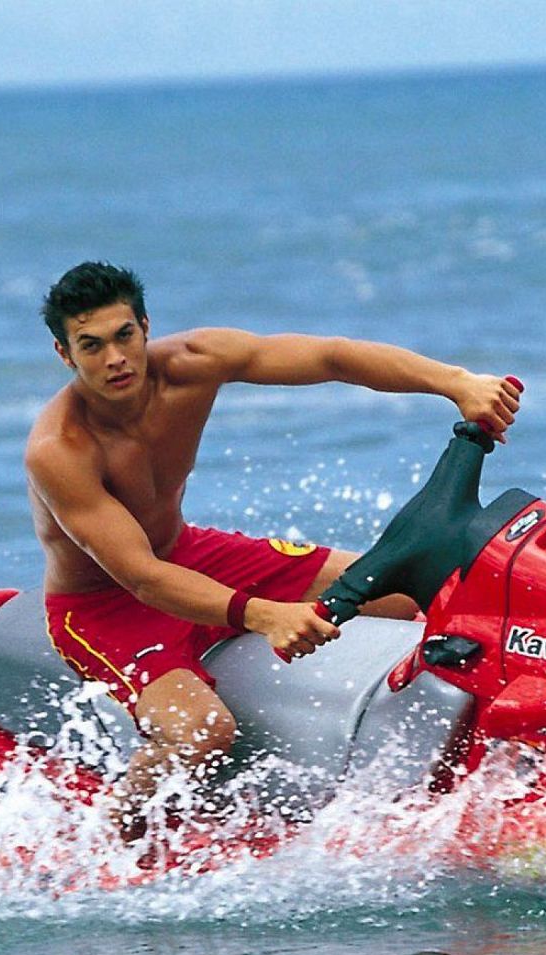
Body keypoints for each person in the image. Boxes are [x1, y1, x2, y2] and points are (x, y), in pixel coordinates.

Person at [27, 261, 521, 838]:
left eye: (124, 336)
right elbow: (142, 577)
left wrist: (456, 383)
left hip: (188, 555)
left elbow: (332, 357)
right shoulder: (61, 449)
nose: (115, 358)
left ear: (145, 326)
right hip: (107, 608)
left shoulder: (194, 362)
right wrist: (266, 616)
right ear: (65, 354)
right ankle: (109, 840)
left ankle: (490, 746)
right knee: (201, 732)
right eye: (91, 346)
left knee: (403, 592)